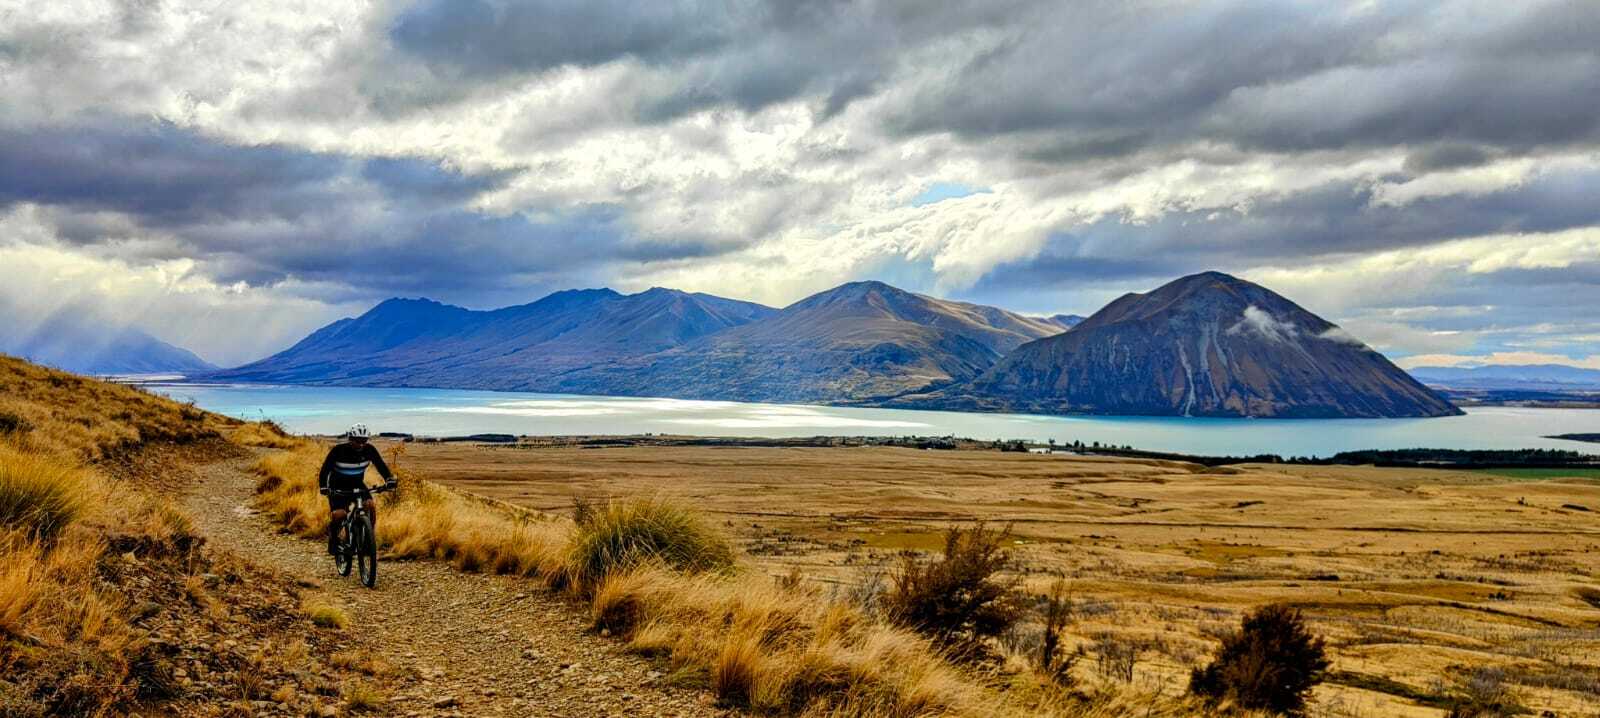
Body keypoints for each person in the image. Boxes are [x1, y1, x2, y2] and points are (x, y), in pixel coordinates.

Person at [318, 423, 396, 555]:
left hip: (357, 484)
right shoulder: (338, 450)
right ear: (350, 439)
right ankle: (333, 539)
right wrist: (324, 487)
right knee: (340, 515)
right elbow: (325, 470)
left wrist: (389, 479)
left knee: (369, 505)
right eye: (357, 441)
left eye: (364, 441)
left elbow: (381, 465)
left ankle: (368, 538)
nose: (361, 444)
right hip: (337, 485)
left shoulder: (369, 450)